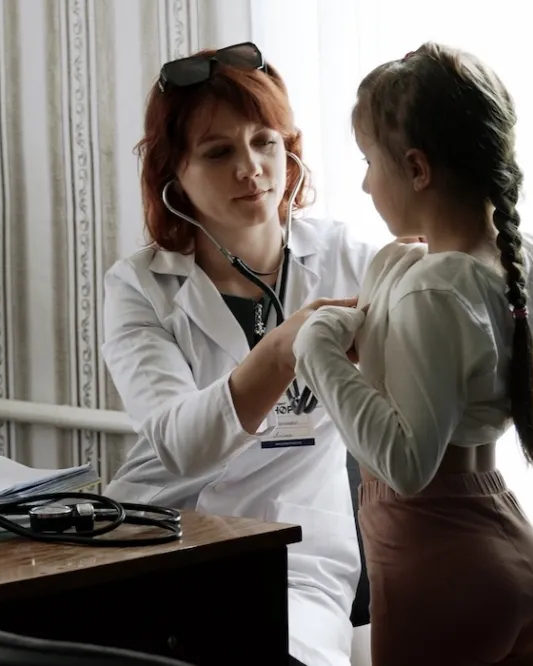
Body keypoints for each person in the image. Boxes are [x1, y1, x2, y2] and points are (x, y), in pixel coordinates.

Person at [290, 42, 533, 665]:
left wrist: (316, 352)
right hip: (519, 558)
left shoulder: (433, 287)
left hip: (443, 573)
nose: (364, 183)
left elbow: (407, 463)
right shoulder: (525, 261)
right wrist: (493, 366)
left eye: (368, 161)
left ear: (417, 169)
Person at [101, 42, 382, 666]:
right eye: (218, 151)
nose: (250, 167)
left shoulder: (348, 261)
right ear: (173, 171)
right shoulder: (140, 286)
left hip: (295, 557)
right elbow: (182, 444)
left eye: (266, 142)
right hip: (155, 540)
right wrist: (284, 347)